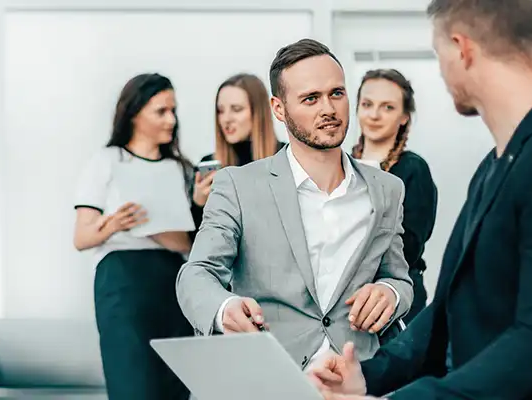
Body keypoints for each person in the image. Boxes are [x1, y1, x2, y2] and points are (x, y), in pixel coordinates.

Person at [307, 0, 532, 398]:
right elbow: (445, 313)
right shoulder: (495, 166)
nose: (442, 71)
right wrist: (368, 376)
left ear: (462, 49)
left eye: (440, 55)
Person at [176, 39, 416, 369]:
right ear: (278, 109)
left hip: (357, 375)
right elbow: (197, 273)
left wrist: (390, 292)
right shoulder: (238, 185)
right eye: (310, 98)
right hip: (273, 374)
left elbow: (400, 277)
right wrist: (223, 308)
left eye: (336, 93)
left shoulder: (388, 189)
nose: (328, 109)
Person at [72, 73, 195, 400]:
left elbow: (189, 244)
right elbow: (82, 237)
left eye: (173, 110)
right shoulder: (106, 161)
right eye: (161, 111)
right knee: (132, 382)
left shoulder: (181, 169)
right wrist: (114, 225)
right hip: (122, 284)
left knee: (174, 386)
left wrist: (150, 227)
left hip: (173, 284)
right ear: (135, 113)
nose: (171, 119)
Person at [352, 69, 439, 334]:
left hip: (398, 300)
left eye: (387, 107)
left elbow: (408, 248)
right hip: (348, 301)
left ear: (404, 117)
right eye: (367, 105)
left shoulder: (414, 170)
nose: (374, 115)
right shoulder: (339, 166)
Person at [190, 73, 283, 228]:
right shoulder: (209, 165)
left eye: (237, 109)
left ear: (258, 112)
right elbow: (196, 243)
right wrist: (199, 204)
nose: (226, 119)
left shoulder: (286, 158)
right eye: (220, 111)